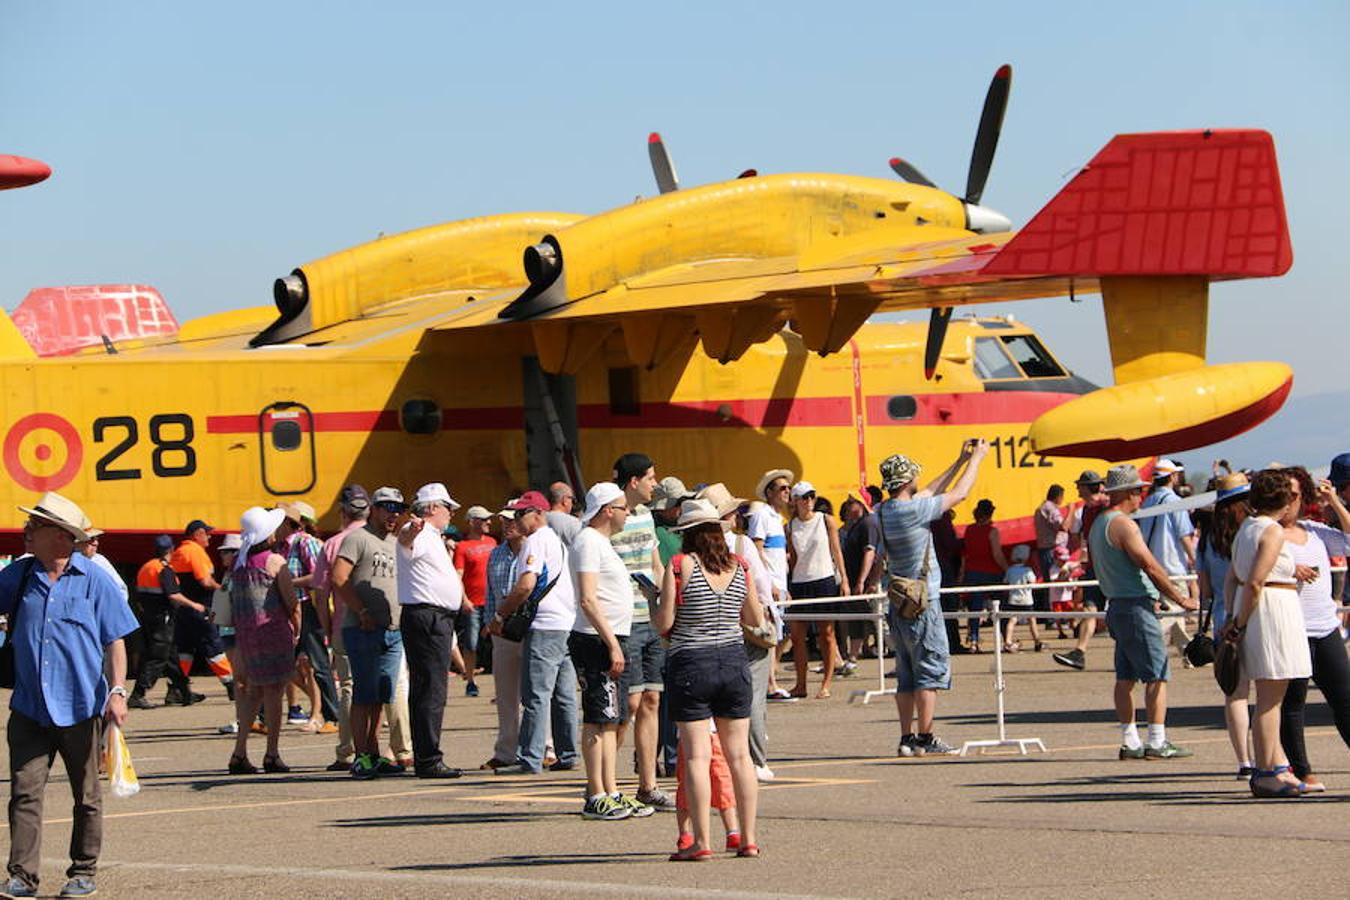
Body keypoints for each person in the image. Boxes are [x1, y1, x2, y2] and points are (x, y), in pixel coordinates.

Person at [0, 492, 138, 899]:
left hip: (81, 706)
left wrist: (117, 691)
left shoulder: (95, 579)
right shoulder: (20, 575)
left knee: (87, 795)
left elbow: (115, 641)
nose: (27, 532)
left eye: (35, 526)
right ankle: (21, 877)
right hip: (29, 706)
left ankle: (83, 872)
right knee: (24, 793)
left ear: (60, 536)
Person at [653, 498, 763, 861]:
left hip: (691, 662)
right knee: (739, 756)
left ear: (687, 535)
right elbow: (754, 616)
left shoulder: (680, 566)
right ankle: (748, 837)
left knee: (697, 757)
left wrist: (655, 601)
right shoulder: (740, 565)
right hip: (733, 659)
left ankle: (702, 842)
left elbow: (665, 623)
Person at [877, 443, 987, 757]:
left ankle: (906, 738)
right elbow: (960, 494)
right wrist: (976, 460)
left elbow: (927, 491)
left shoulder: (885, 511)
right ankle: (926, 736)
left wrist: (959, 459)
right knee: (929, 669)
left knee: (907, 672)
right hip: (924, 600)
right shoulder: (914, 510)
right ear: (906, 479)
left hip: (899, 601)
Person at [1090, 465, 1198, 762]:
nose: (1142, 494)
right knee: (1157, 674)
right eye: (1138, 490)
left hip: (1117, 604)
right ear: (1123, 493)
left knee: (1125, 677)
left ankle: (1130, 740)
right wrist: (1179, 597)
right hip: (1135, 605)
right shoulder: (1124, 525)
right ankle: (1157, 740)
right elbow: (1149, 565)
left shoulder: (1099, 523)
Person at [1223, 469, 1314, 797]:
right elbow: (1256, 581)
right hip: (1272, 610)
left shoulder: (1246, 528)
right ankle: (1265, 772)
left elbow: (1234, 579)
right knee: (1270, 700)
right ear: (1287, 500)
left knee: (1270, 694)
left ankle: (1277, 765)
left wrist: (1235, 618)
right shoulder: (1271, 531)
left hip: (1259, 608)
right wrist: (1240, 622)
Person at [570, 482, 653, 819]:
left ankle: (611, 789)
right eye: (622, 507)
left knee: (612, 719)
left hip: (610, 637)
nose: (627, 512)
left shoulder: (601, 543)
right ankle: (596, 793)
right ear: (607, 511)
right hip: (596, 639)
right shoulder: (588, 541)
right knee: (598, 718)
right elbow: (588, 598)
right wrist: (612, 642)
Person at [491, 491, 580, 776]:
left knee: (536, 695)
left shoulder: (534, 542)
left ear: (538, 513)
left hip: (543, 626)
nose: (517, 519)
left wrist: (500, 614)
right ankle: (567, 753)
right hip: (565, 622)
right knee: (564, 693)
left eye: (521, 514)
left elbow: (525, 585)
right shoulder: (558, 541)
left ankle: (529, 759)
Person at [697, 482, 778, 782]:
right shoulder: (741, 546)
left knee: (718, 698)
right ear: (729, 515)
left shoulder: (697, 551)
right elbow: (761, 588)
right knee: (753, 696)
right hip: (747, 627)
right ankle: (756, 759)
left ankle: (722, 758)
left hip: (716, 629)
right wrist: (771, 620)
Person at [1276, 469, 1350, 792]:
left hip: (1325, 627)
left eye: (1296, 494)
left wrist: (1333, 500)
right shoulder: (1268, 533)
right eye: (1285, 495)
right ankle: (1302, 771)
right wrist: (1292, 568)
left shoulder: (1315, 531)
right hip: (1292, 628)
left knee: (1346, 699)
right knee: (1293, 703)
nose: (1291, 502)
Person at [608, 453, 673, 809]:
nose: (655, 483)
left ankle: (647, 784)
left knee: (652, 699)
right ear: (633, 481)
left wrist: (667, 604)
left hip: (648, 617)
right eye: (650, 477)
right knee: (627, 703)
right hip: (622, 619)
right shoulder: (607, 517)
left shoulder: (646, 517)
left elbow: (654, 563)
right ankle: (608, 783)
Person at [332, 486, 407, 779]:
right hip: (362, 629)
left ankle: (373, 752)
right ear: (373, 508)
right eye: (387, 507)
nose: (393, 514)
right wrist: (361, 610)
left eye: (398, 509)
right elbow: (338, 577)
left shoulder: (396, 541)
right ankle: (360, 756)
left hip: (393, 630)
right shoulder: (358, 539)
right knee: (363, 694)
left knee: (381, 694)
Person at [393, 483, 466, 779]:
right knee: (430, 690)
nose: (450, 513)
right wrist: (413, 527)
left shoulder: (434, 536)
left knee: (432, 688)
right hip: (427, 617)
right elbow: (406, 540)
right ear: (433, 507)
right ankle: (428, 758)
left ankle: (428, 755)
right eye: (447, 507)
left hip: (435, 618)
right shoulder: (421, 533)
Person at [227, 506, 299, 775]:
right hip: (272, 632)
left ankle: (240, 751)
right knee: (274, 692)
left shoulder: (239, 561)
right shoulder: (275, 561)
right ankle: (272, 752)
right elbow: (291, 602)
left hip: (246, 634)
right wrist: (297, 628)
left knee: (251, 692)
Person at [1195, 473, 1254, 775]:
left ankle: (1244, 760)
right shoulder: (1254, 530)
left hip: (1222, 618)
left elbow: (1203, 590)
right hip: (1256, 615)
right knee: (1272, 694)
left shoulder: (1207, 537)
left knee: (1236, 694)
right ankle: (1274, 755)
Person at [278, 502, 338, 733]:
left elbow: (319, 576)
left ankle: (331, 715)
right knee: (285, 665)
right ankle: (319, 711)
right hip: (286, 608)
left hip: (305, 608)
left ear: (289, 523)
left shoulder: (305, 543)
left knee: (319, 664)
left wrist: (288, 582)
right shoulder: (279, 547)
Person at [785, 480, 849, 699]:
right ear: (795, 501)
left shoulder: (825, 520)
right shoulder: (790, 525)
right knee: (797, 635)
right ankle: (801, 684)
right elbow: (793, 557)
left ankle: (826, 684)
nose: (809, 501)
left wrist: (845, 580)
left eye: (811, 496)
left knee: (827, 633)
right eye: (804, 497)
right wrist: (788, 585)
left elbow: (837, 551)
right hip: (800, 581)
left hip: (824, 579)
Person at [128, 535, 198, 708]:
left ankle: (183, 692)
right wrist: (195, 605)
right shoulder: (163, 569)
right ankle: (138, 694)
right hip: (163, 619)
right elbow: (173, 594)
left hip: (149, 618)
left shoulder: (147, 567)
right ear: (171, 550)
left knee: (171, 656)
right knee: (158, 657)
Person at [170, 519, 235, 702]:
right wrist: (223, 590)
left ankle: (178, 687)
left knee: (185, 648)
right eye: (206, 533)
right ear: (197, 534)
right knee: (212, 644)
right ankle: (231, 685)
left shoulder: (179, 552)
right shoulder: (195, 552)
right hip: (199, 607)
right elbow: (205, 581)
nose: (209, 536)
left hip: (183, 608)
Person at [481, 506, 525, 770]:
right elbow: (490, 592)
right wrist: (490, 621)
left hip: (530, 628)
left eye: (512, 519)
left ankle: (544, 747)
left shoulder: (534, 550)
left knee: (536, 694)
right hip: (501, 629)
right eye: (503, 520)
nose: (506, 524)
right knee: (506, 694)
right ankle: (506, 750)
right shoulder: (496, 554)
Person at [1053, 471, 1110, 670]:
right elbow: (1087, 539)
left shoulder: (1107, 506)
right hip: (1095, 568)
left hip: (1112, 567)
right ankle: (1079, 652)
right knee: (1089, 609)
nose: (1077, 489)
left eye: (1080, 485)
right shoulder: (1086, 510)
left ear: (1088, 487)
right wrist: (1082, 562)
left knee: (1120, 612)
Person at [1139, 459, 1197, 653]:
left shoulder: (1147, 502)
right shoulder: (1174, 501)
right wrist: (1194, 559)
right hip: (1173, 564)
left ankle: (1188, 652)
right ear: (1172, 476)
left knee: (1172, 609)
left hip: (1152, 564)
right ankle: (1148, 642)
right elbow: (1184, 534)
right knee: (1174, 610)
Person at [749, 468, 794, 702]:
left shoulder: (778, 519)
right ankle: (770, 685)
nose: (787, 492)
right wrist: (768, 584)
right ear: (770, 492)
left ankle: (772, 679)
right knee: (770, 634)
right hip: (770, 586)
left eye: (788, 488)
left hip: (780, 583)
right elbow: (756, 551)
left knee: (780, 635)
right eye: (782, 488)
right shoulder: (761, 516)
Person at [452, 506, 497, 699]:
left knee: (498, 643)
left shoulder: (493, 542)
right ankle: (470, 680)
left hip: (493, 602)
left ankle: (500, 685)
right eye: (483, 519)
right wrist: (464, 599)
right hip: (473, 603)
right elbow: (458, 576)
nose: (488, 522)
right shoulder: (462, 547)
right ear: (472, 522)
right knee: (471, 643)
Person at [837, 497, 881, 671]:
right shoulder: (859, 524)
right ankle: (852, 656)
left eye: (852, 503)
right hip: (855, 579)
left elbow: (871, 552)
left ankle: (856, 655)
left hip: (862, 581)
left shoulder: (868, 523)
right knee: (857, 618)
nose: (848, 507)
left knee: (874, 620)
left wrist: (863, 580)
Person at [959, 498, 1007, 653]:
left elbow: (965, 554)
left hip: (973, 572)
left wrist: (962, 574)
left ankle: (973, 640)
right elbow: (997, 554)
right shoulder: (992, 531)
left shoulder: (969, 530)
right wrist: (1007, 569)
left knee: (975, 608)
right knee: (999, 607)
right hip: (992, 572)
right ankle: (1006, 638)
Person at [1001, 545, 1040, 652]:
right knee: (1032, 620)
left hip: (1013, 598)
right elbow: (1033, 581)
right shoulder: (1027, 570)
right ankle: (1037, 641)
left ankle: (1008, 642)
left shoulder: (1010, 570)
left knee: (1012, 620)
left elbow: (1005, 581)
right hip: (1027, 599)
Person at [650, 476, 691, 565]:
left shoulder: (683, 527)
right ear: (661, 509)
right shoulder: (658, 533)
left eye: (684, 501)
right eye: (679, 502)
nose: (682, 506)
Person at [545, 481, 582, 545]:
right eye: (572, 499)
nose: (572, 503)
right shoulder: (574, 523)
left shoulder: (540, 520)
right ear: (565, 500)